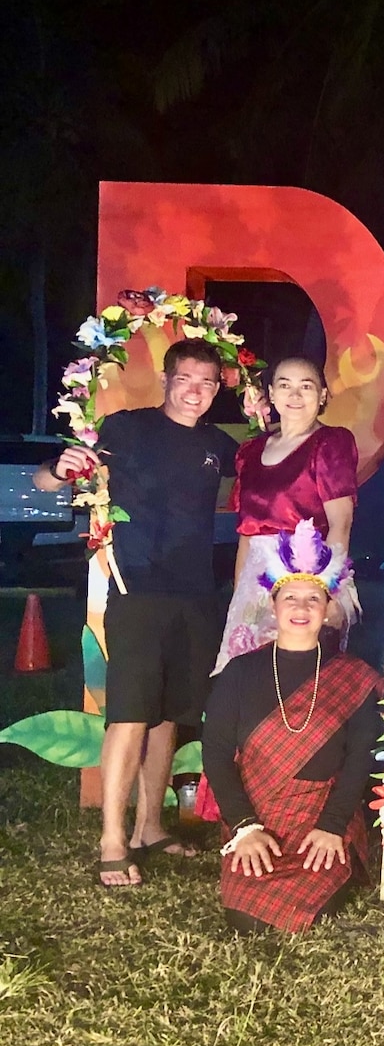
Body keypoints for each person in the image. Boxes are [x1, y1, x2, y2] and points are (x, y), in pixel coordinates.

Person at [34, 338, 241, 886]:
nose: (195, 391)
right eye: (185, 379)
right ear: (168, 379)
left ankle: (151, 826)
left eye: (207, 382)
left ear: (218, 389)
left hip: (196, 594)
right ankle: (112, 839)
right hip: (136, 590)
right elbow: (47, 479)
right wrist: (60, 468)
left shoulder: (220, 445)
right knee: (129, 714)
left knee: (170, 714)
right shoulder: (126, 429)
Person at [202, 522, 384, 932]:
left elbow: (359, 760)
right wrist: (244, 827)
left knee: (309, 904)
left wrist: (333, 826)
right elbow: (215, 753)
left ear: (328, 607)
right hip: (257, 816)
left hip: (321, 819)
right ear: (273, 603)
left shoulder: (353, 676)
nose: (301, 609)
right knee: (244, 916)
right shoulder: (240, 671)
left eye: (313, 599)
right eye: (290, 598)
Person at [215, 355, 360, 668]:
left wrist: (325, 590)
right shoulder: (251, 452)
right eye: (285, 385)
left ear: (322, 395)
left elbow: (341, 523)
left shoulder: (330, 443)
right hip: (257, 578)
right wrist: (240, 594)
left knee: (298, 672)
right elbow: (246, 533)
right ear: (271, 393)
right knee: (248, 673)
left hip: (310, 578)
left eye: (306, 387)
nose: (295, 395)